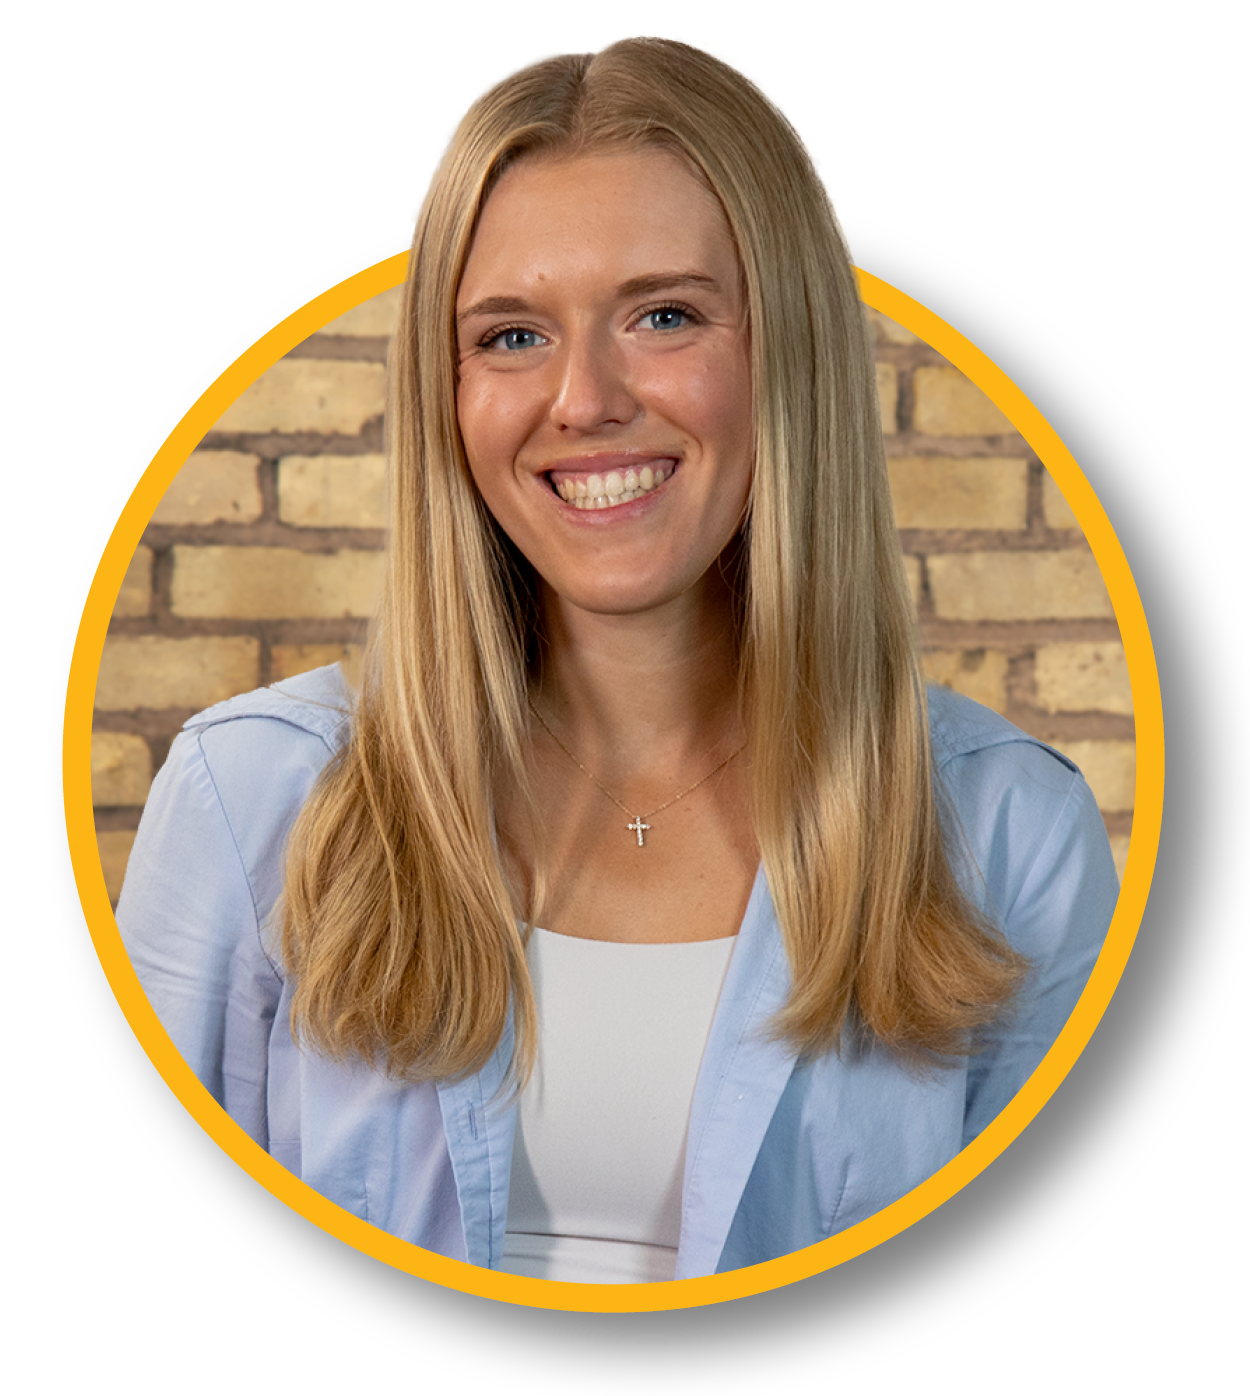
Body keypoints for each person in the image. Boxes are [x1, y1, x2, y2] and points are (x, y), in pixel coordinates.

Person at [117, 34, 1119, 1285]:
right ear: (445, 389)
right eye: (509, 335)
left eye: (663, 315)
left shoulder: (1011, 837)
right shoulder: (245, 802)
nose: (582, 398)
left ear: (789, 350)